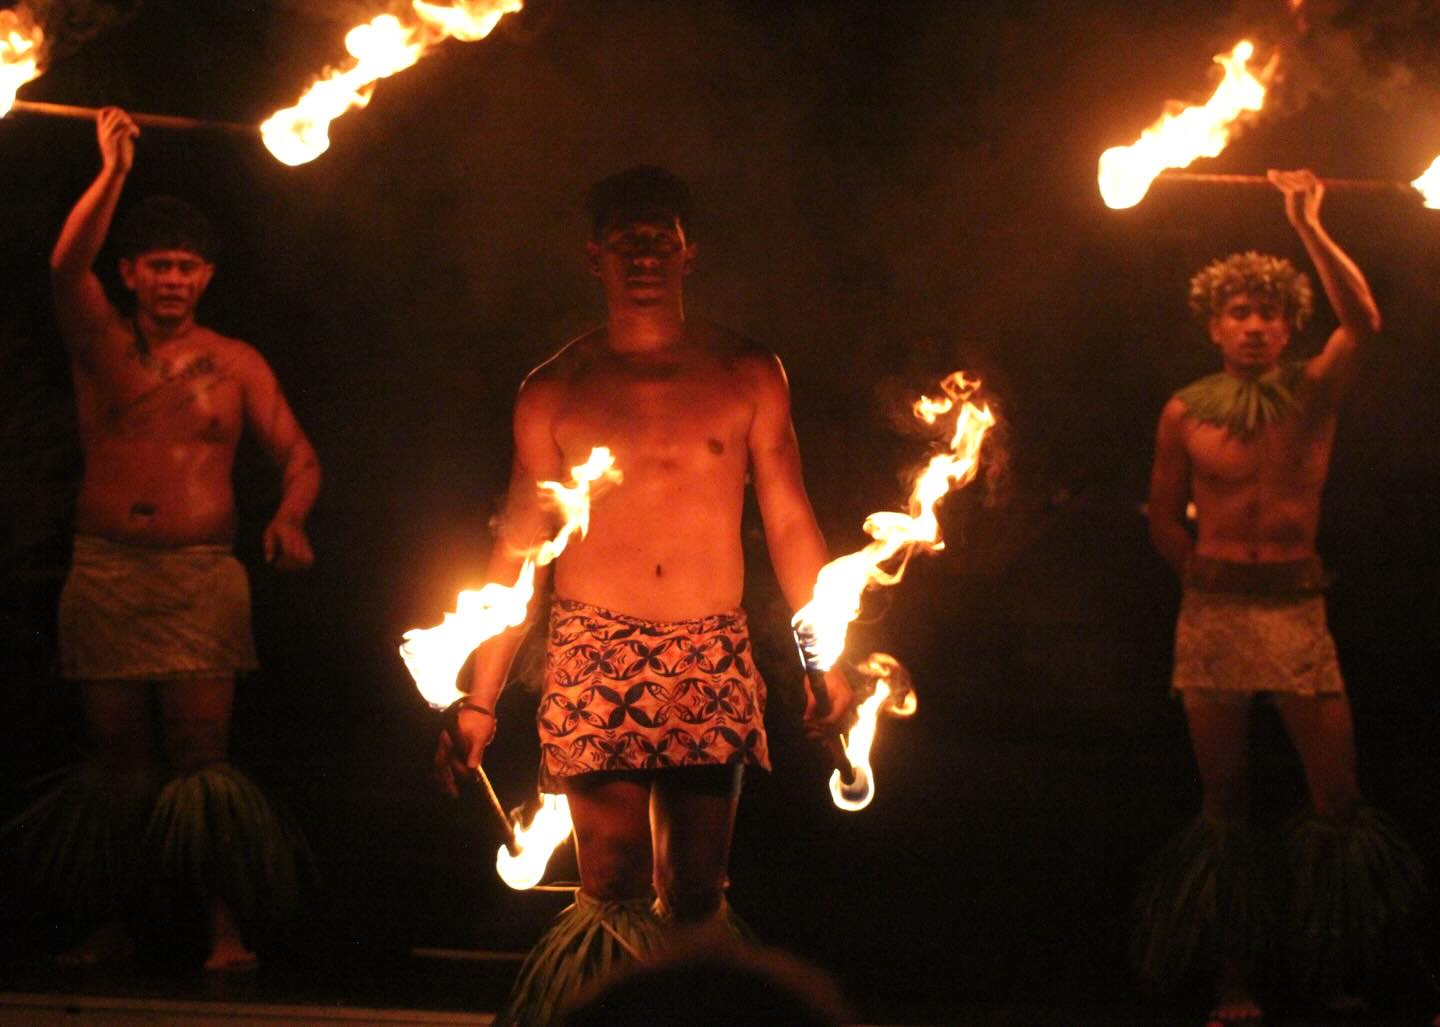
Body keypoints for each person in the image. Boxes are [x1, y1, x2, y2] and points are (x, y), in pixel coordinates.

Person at [433, 165, 853, 1024]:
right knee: (612, 882)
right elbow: (519, 548)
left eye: (660, 239)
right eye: (627, 242)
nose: (645, 256)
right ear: (595, 258)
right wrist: (479, 697)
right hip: (595, 645)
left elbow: (789, 519)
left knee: (697, 891)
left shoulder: (747, 372)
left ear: (689, 251)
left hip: (709, 645)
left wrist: (825, 655)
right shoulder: (555, 389)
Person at [10, 107, 320, 970]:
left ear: (206, 275)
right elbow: (64, 265)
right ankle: (115, 922)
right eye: (158, 266)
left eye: (187, 266)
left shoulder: (238, 363)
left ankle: (223, 925)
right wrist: (111, 171)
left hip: (197, 577)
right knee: (118, 764)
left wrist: (290, 513)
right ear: (132, 274)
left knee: (200, 759)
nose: (173, 280)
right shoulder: (100, 345)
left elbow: (298, 454)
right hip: (106, 570)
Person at [1136, 169, 1423, 1024]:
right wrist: (1200, 572)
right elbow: (1160, 516)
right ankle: (1233, 983)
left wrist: (1308, 220)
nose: (1255, 327)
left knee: (1336, 799)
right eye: (1239, 314)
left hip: (1299, 611)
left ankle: (1338, 976)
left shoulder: (1314, 391)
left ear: (1290, 325)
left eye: (1269, 314)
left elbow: (1365, 320)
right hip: (1217, 616)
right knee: (1224, 806)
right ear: (1215, 325)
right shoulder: (1185, 412)